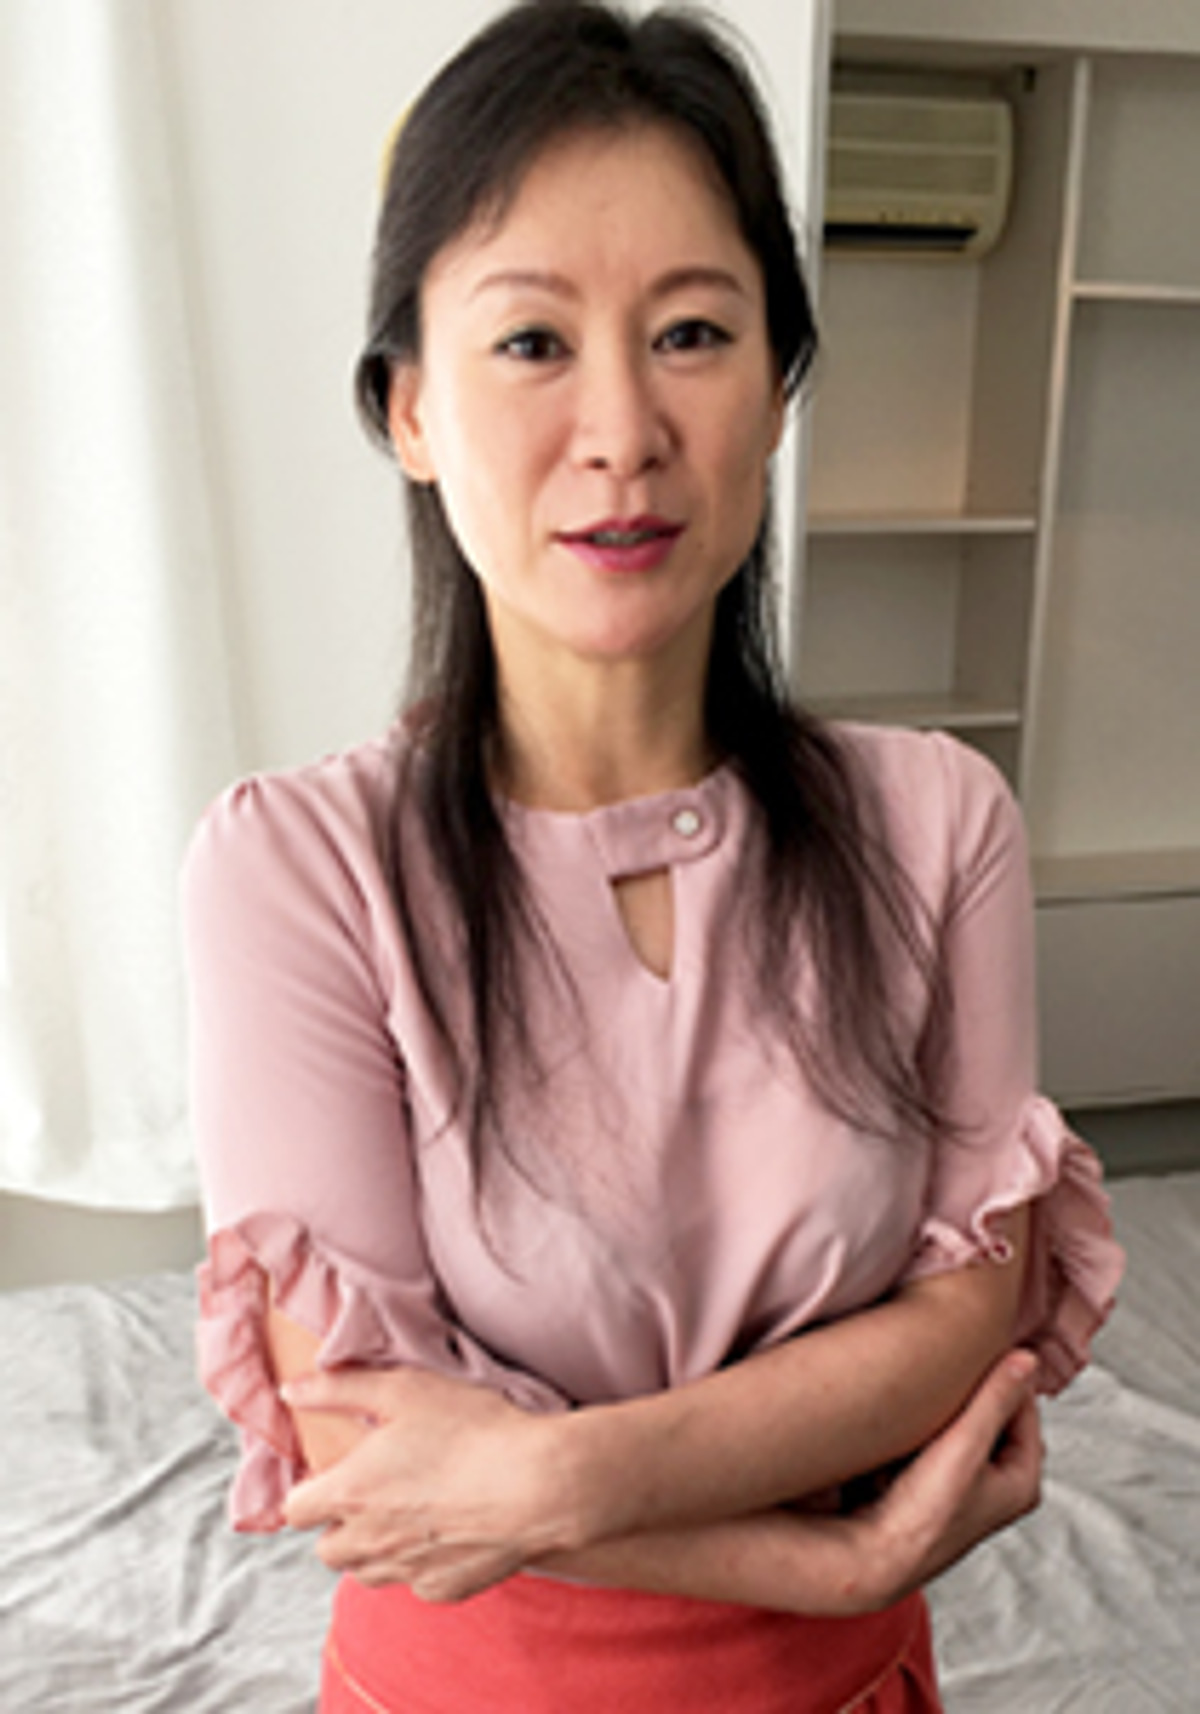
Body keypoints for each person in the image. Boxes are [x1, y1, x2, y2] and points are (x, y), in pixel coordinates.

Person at [184, 3, 1124, 1709]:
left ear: (777, 395)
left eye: (692, 332)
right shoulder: (302, 869)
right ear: (410, 410)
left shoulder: (937, 827)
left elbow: (965, 1321)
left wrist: (552, 1474)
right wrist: (827, 1560)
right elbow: (362, 1442)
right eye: (532, 342)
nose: (621, 427)